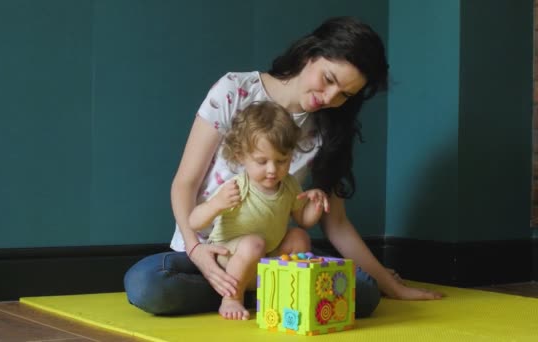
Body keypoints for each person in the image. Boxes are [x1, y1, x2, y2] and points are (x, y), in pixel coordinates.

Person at [124, 16, 443, 318]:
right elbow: (185, 183)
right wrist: (195, 250)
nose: (329, 97)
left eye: (344, 94)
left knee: (366, 292)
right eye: (328, 79)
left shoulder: (327, 129)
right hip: (211, 252)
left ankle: (252, 292)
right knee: (147, 284)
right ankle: (255, 293)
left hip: (274, 257)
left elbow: (337, 223)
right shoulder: (235, 90)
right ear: (309, 55)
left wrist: (392, 287)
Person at [188, 101, 329, 320]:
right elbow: (194, 222)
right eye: (262, 162)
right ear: (240, 156)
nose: (273, 170)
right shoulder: (238, 185)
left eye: (282, 161)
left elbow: (303, 220)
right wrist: (216, 205)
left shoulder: (290, 185)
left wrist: (316, 205)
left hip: (265, 260)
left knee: (298, 236)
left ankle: (284, 294)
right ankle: (232, 298)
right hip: (230, 259)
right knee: (254, 243)